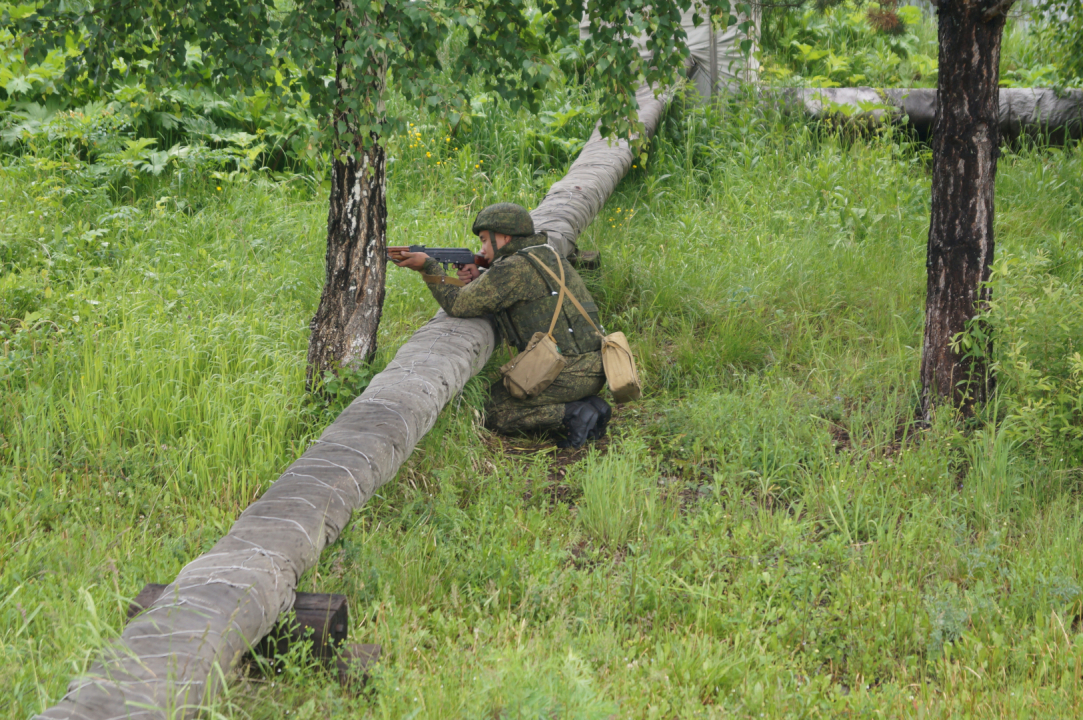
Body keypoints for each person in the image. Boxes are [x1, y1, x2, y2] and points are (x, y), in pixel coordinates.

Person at [391, 202, 611, 448]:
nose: (483, 249)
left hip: (568, 372)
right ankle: (593, 406)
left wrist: (429, 267)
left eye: (485, 240)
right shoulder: (545, 253)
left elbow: (459, 305)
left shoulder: (513, 267)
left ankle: (574, 413)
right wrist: (478, 280)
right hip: (595, 367)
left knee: (492, 410)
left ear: (504, 237)